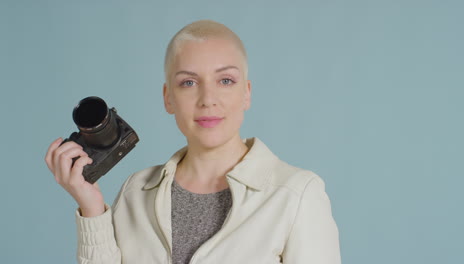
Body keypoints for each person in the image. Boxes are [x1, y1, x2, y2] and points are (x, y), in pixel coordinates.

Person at [45, 20, 341, 264]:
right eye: (188, 82)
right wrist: (91, 207)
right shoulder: (136, 193)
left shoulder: (297, 196)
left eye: (225, 80)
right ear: (168, 98)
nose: (208, 99)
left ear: (247, 93)